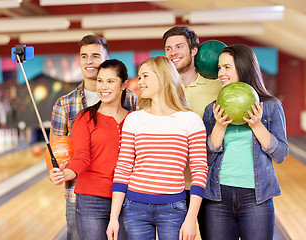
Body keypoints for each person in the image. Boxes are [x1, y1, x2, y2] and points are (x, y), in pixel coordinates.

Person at [106, 56, 208, 240]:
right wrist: (114, 217)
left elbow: (199, 169)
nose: (140, 82)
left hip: (173, 208)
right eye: (139, 76)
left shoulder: (191, 120)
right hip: (134, 207)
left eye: (145, 76)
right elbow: (123, 167)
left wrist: (191, 218)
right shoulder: (134, 119)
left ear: (163, 77)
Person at [49, 35, 137, 240]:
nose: (89, 61)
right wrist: (60, 172)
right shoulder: (67, 105)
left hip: (128, 195)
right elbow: (62, 152)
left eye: (96, 56)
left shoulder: (131, 100)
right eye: (84, 56)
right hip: (82, 195)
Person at [202, 44, 289, 240]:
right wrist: (219, 126)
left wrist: (257, 125)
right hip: (218, 197)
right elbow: (205, 158)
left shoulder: (270, 107)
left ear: (243, 67)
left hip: (256, 198)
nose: (221, 73)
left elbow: (281, 154)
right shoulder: (212, 110)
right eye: (219, 68)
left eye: (227, 67)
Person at [162, 25, 222, 238]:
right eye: (168, 48)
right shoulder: (162, 88)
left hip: (208, 183)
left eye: (179, 46)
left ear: (194, 50)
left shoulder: (217, 87)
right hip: (172, 184)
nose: (173, 53)